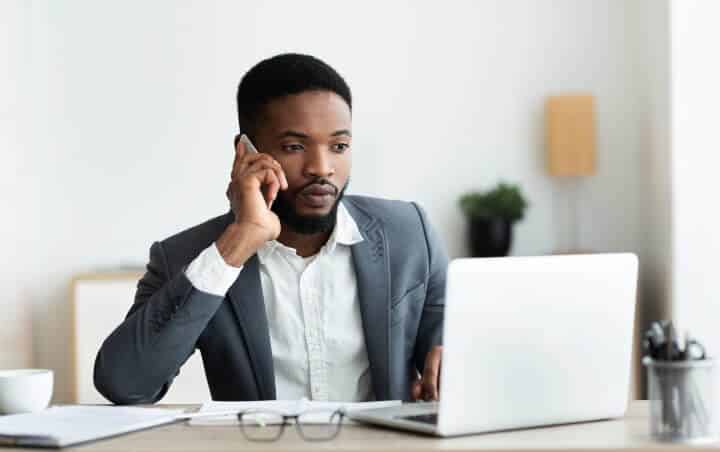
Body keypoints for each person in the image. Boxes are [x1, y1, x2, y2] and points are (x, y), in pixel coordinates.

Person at [94, 53, 448, 404]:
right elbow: (125, 383)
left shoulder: (409, 234)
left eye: (339, 146)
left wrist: (452, 366)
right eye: (294, 147)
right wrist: (237, 244)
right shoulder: (188, 258)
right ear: (245, 152)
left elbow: (454, 353)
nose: (321, 168)